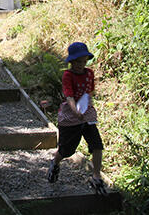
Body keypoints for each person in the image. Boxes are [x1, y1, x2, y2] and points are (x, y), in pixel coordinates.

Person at [46, 41, 108, 196]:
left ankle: (96, 175)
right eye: (78, 62)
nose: (81, 64)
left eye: (83, 61)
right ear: (72, 62)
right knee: (67, 149)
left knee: (97, 144)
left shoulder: (89, 73)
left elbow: (90, 92)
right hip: (71, 115)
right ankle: (55, 162)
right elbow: (69, 96)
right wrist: (76, 111)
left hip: (86, 113)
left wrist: (87, 109)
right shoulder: (68, 75)